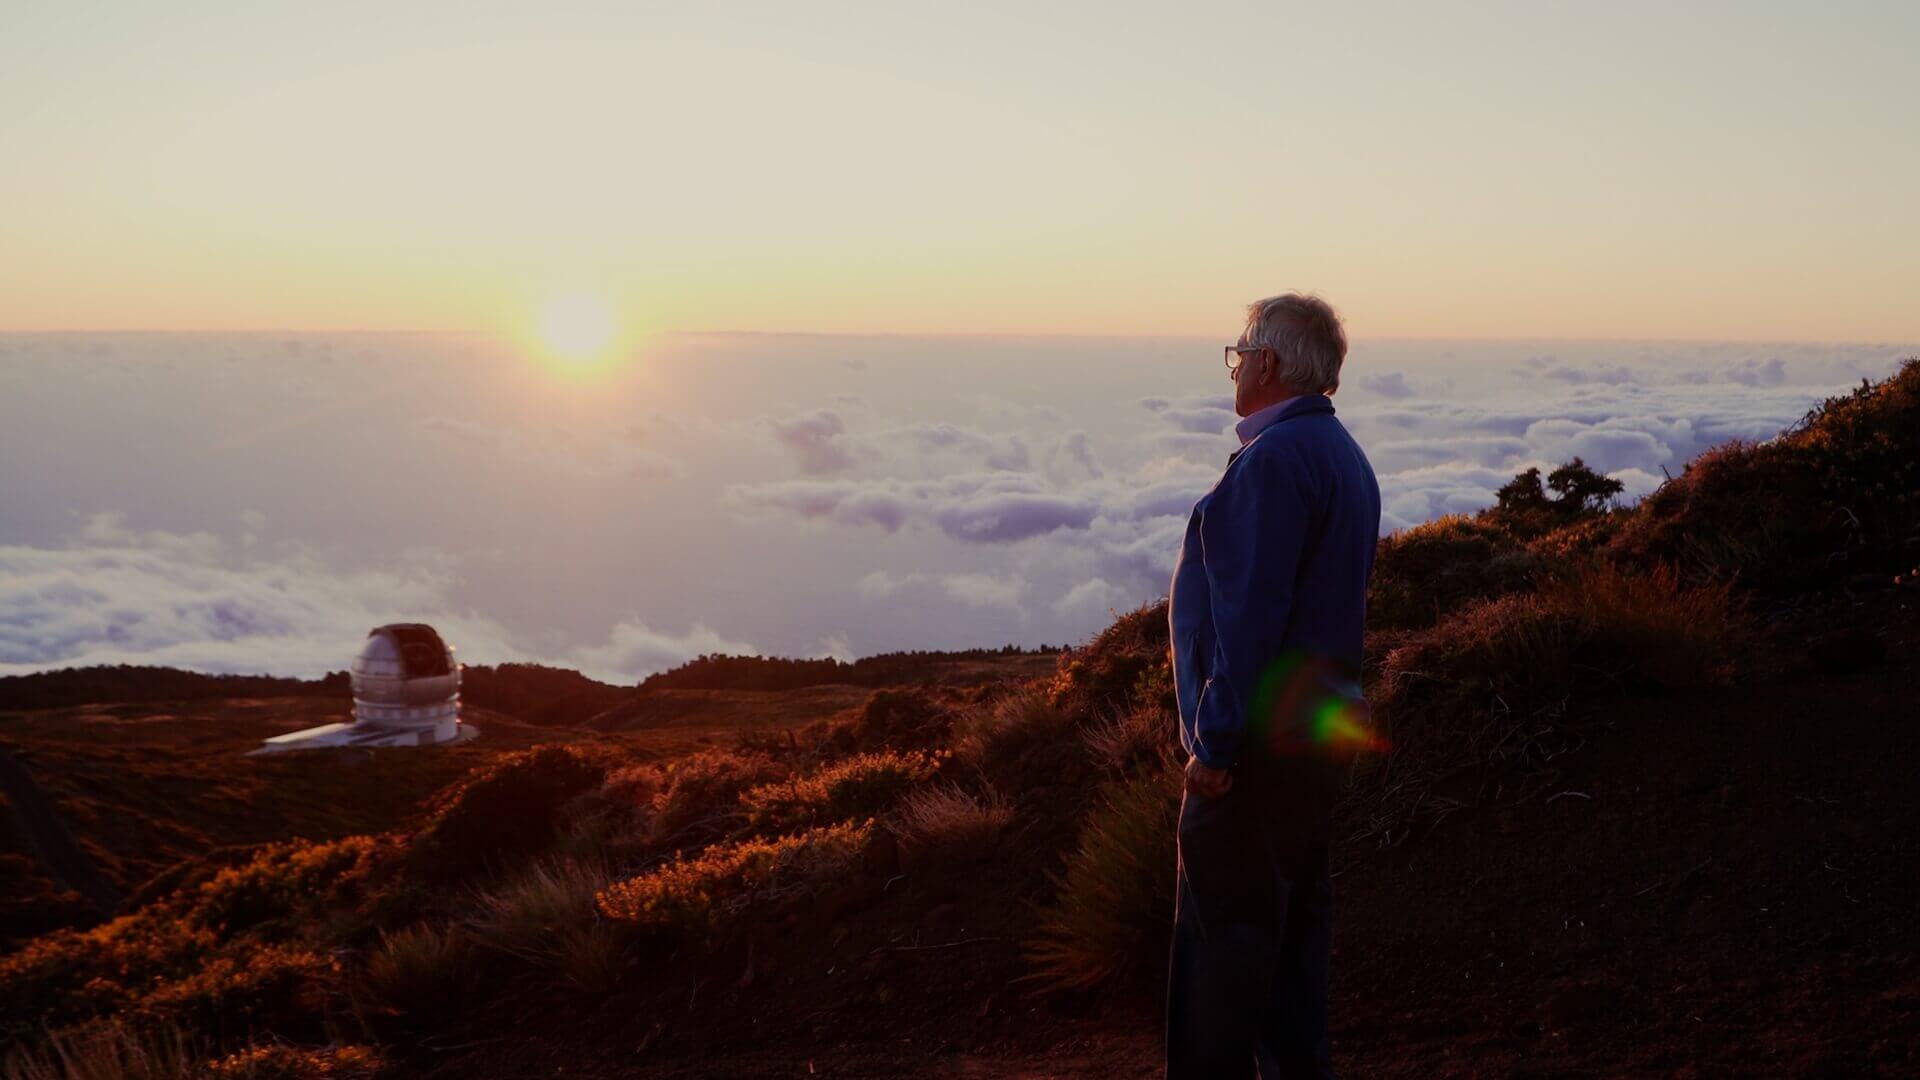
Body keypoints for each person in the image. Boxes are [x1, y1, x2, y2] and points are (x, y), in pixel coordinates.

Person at [1166, 293, 1381, 1078]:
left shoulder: (1276, 463)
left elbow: (1248, 626)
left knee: (1221, 968)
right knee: (1292, 967)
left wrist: (1215, 749)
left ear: (1270, 362)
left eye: (1240, 353)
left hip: (1251, 761)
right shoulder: (1340, 456)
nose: (1236, 367)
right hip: (1310, 750)